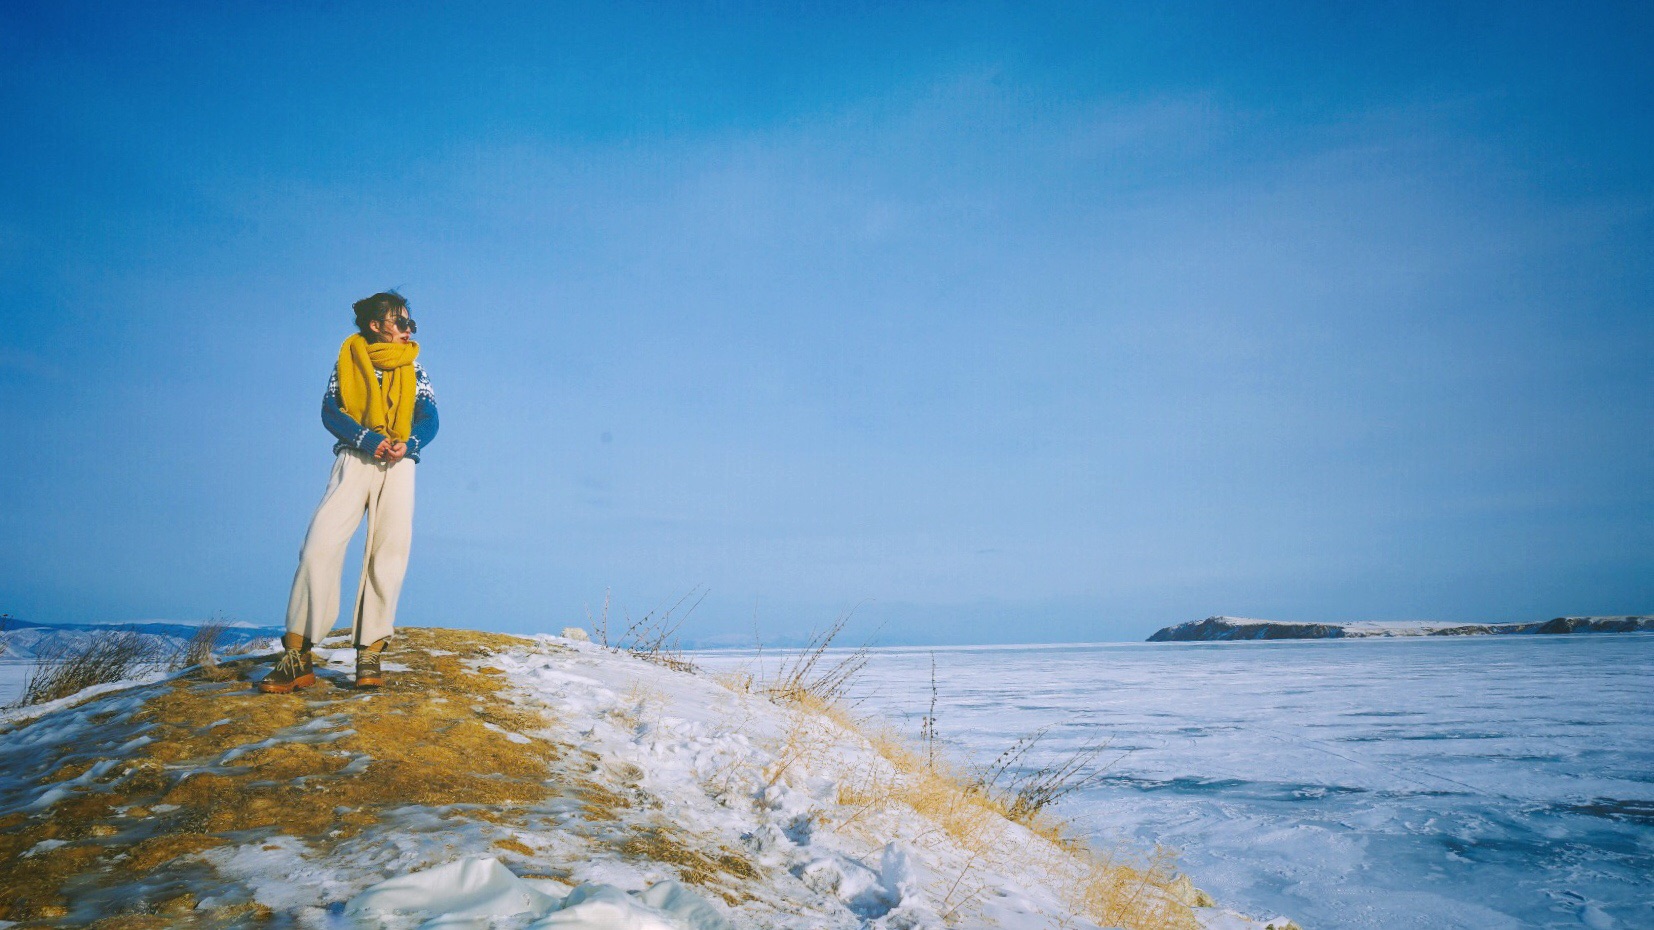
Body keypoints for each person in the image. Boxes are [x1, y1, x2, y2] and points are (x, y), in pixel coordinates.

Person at [260, 291, 439, 693]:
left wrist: (408, 444)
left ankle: (370, 653)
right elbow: (331, 411)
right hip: (355, 458)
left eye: (412, 324)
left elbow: (429, 418)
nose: (409, 330)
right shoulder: (348, 361)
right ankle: (298, 655)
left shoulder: (417, 369)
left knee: (388, 551)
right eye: (401, 322)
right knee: (319, 545)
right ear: (376, 325)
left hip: (399, 463)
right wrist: (363, 437)